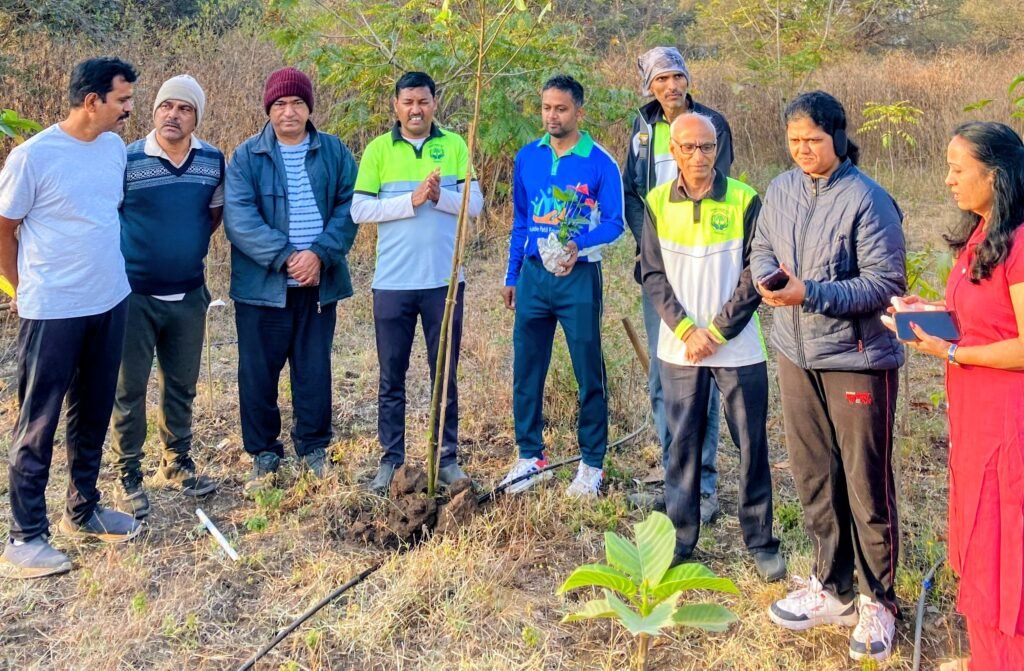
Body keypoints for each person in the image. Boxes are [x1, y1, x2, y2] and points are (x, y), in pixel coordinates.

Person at [751, 91, 906, 661]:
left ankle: (877, 599)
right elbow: (761, 246)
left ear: (838, 138)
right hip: (795, 352)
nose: (802, 150)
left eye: (813, 140)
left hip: (856, 358)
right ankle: (833, 586)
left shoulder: (868, 199)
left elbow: (885, 283)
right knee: (815, 475)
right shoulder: (781, 189)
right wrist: (767, 280)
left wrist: (809, 293)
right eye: (794, 141)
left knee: (865, 481)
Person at [885, 122, 1024, 671]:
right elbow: (984, 318)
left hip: (1008, 419)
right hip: (974, 414)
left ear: (997, 175)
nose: (947, 180)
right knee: (980, 535)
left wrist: (953, 351)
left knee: (1006, 540)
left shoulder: (1020, 244)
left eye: (957, 169)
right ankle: (986, 656)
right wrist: (931, 315)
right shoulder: (981, 235)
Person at [0, 57, 144, 579]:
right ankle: (25, 537)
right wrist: (19, 288)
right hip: (53, 309)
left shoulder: (112, 149)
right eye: (122, 100)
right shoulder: (32, 157)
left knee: (94, 409)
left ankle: (83, 509)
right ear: (91, 101)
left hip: (110, 299)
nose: (129, 109)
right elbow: (3, 228)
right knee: (38, 419)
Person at [641, 112, 784, 580]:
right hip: (680, 347)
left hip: (737, 345)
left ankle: (761, 541)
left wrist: (718, 331)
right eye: (688, 147)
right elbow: (652, 275)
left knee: (751, 442)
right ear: (674, 152)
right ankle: (681, 538)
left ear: (718, 148)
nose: (698, 156)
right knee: (681, 443)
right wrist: (687, 330)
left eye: (706, 146)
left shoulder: (745, 198)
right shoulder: (657, 202)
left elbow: (757, 271)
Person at [224, 67, 358, 495]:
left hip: (318, 285)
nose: (289, 111)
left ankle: (314, 448)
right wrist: (286, 257)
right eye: (280, 104)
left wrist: (319, 254)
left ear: (309, 107)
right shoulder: (247, 156)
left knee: (313, 369)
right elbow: (239, 219)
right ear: (269, 109)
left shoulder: (334, 151)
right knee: (258, 374)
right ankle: (264, 453)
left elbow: (350, 206)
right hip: (262, 289)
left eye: (297, 103)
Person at [351, 71, 484, 495]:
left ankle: (446, 459)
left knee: (443, 374)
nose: (415, 109)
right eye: (408, 102)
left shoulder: (455, 145)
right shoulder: (378, 149)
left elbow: (476, 204)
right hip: (392, 282)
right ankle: (391, 459)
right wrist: (411, 200)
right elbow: (359, 210)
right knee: (391, 376)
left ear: (434, 103)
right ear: (396, 105)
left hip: (444, 283)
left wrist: (439, 196)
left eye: (423, 101)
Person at [499, 74, 624, 497]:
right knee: (527, 367)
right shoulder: (528, 157)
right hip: (534, 277)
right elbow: (520, 220)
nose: (552, 116)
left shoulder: (600, 161)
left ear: (579, 112)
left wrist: (578, 244)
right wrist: (512, 274)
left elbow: (614, 223)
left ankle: (592, 463)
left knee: (588, 370)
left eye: (561, 109)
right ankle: (530, 457)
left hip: (579, 277)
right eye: (546, 108)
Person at [623, 47, 734, 522]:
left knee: (700, 373)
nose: (670, 86)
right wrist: (649, 244)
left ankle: (703, 487)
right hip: (659, 268)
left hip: (703, 262)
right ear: (648, 85)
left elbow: (721, 186)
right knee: (662, 375)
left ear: (688, 79)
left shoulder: (712, 124)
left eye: (677, 76)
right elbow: (632, 192)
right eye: (661, 79)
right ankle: (675, 479)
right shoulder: (642, 129)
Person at [111, 75, 223, 519]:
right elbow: (108, 215)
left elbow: (212, 216)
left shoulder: (212, 160)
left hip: (189, 292)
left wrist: (182, 250)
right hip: (133, 294)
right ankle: (128, 473)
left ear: (196, 117)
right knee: (129, 387)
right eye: (166, 106)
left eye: (184, 108)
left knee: (181, 383)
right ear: (154, 111)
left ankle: (176, 461)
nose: (173, 115)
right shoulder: (126, 159)